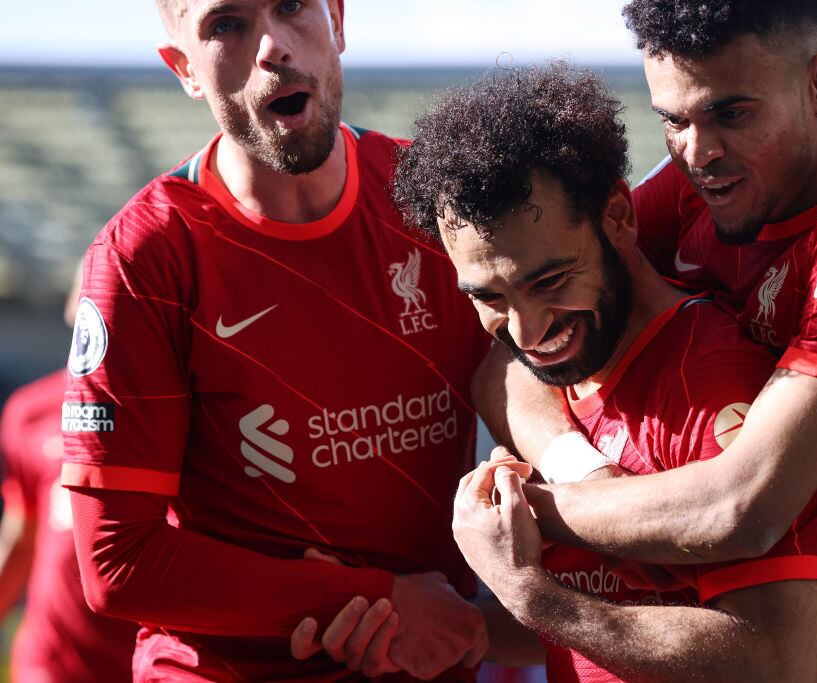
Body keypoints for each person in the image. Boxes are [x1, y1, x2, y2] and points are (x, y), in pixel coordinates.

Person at [472, 1, 817, 680]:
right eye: (672, 119)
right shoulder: (706, 182)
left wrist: (529, 520)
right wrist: (585, 474)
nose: (698, 152)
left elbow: (741, 508)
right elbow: (520, 348)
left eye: (731, 113)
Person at [61, 1, 494, 679]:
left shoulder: (441, 203)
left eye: (292, 6)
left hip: (430, 660)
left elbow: (553, 387)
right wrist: (363, 599)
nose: (272, 46)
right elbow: (118, 562)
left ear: (338, 22)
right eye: (225, 24)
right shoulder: (144, 256)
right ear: (185, 70)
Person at [391, 62, 817, 683]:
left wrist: (529, 595)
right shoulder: (563, 370)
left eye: (548, 281)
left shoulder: (711, 385)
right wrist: (473, 627)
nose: (526, 333)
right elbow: (620, 617)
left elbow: (772, 661)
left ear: (619, 218)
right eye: (490, 297)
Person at [0, 264, 137, 683]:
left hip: (143, 665)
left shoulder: (177, 411)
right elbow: (22, 537)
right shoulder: (30, 410)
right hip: (50, 666)